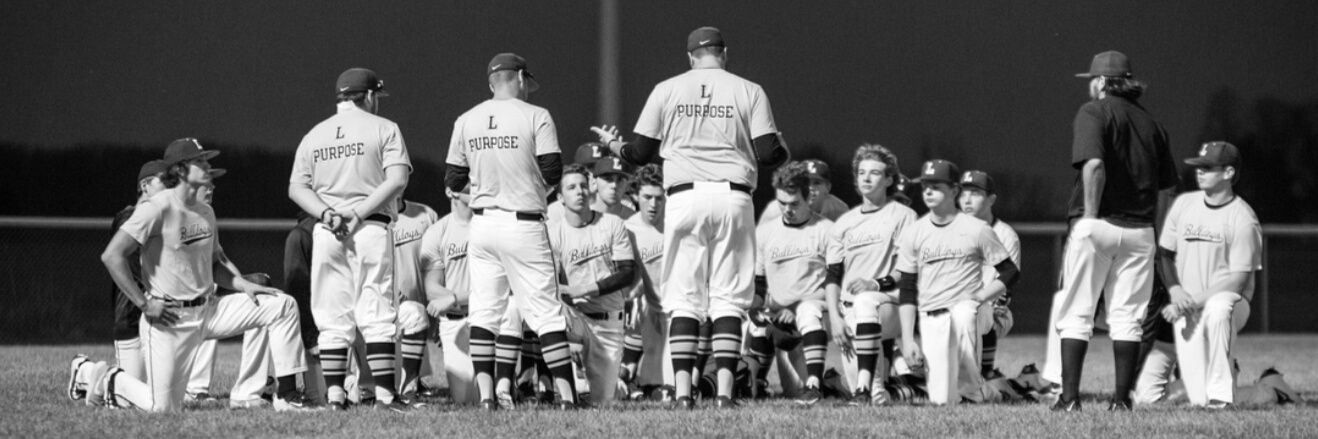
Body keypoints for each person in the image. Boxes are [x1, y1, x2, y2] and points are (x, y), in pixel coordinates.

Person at [592, 26, 788, 409]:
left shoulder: (667, 88)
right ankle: (726, 395)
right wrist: (783, 149)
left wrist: (611, 144)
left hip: (682, 198)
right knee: (729, 300)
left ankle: (682, 394)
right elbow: (768, 153)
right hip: (733, 196)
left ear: (690, 58)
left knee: (683, 300)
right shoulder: (749, 89)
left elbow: (641, 152)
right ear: (724, 53)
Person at [72, 138, 311, 412]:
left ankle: (289, 397)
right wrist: (145, 304)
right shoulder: (156, 207)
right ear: (181, 170)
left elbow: (213, 265)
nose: (208, 166)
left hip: (208, 311)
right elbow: (112, 256)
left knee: (282, 305)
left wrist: (243, 284)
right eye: (201, 161)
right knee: (161, 409)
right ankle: (90, 373)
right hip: (170, 321)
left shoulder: (206, 211)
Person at [445, 53, 581, 410]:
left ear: (492, 83)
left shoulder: (466, 119)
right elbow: (553, 171)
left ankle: (488, 398)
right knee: (546, 312)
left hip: (483, 224)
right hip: (523, 223)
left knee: (485, 312)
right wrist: (533, 190)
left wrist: (487, 190)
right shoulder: (535, 115)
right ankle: (567, 398)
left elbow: (454, 179)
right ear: (519, 77)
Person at [1053, 50, 1178, 412]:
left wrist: (1090, 218)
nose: (1089, 85)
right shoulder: (1153, 124)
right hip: (1140, 230)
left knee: (1077, 311)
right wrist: (1154, 229)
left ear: (1104, 81)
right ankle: (1121, 401)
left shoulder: (1094, 111)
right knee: (1128, 318)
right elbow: (1168, 187)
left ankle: (1070, 399)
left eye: (1092, 79)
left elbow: (1094, 165)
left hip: (1100, 223)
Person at [288, 67, 412, 411]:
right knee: (377, 312)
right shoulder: (384, 128)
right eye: (377, 97)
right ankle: (386, 395)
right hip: (369, 227)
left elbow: (296, 188)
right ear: (369, 96)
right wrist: (358, 213)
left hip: (328, 231)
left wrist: (328, 213)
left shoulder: (315, 133)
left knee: (332, 317)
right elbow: (397, 179)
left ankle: (335, 396)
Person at [895, 159, 1020, 405]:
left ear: (953, 191)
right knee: (942, 399)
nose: (929, 191)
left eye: (937, 186)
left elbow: (1010, 272)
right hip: (932, 314)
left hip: (972, 308)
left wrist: (981, 297)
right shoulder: (915, 232)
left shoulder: (976, 229)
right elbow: (907, 289)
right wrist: (909, 339)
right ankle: (995, 390)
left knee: (963, 312)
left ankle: (975, 391)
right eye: (926, 186)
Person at [1156, 141, 1260, 407]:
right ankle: (1269, 387)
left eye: (1208, 167)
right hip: (1188, 304)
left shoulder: (1243, 218)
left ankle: (1222, 398)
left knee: (1218, 308)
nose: (1199, 172)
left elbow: (1237, 282)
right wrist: (1175, 290)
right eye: (1198, 167)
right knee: (1194, 398)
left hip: (1230, 303)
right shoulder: (1184, 204)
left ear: (1228, 173)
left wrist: (1189, 302)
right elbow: (1165, 254)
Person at [825, 144, 916, 405]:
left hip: (889, 303)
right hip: (850, 310)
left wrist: (875, 283)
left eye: (875, 172)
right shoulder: (845, 222)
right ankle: (911, 388)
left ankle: (863, 388)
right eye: (861, 172)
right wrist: (835, 317)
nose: (866, 177)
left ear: (889, 179)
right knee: (879, 398)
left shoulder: (903, 216)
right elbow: (832, 275)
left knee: (867, 299)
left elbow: (907, 270)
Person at [751, 161, 836, 405]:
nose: (787, 209)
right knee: (747, 322)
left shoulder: (826, 230)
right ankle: (750, 384)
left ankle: (815, 385)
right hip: (782, 320)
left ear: (808, 197)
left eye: (794, 203)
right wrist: (755, 308)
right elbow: (759, 286)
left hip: (818, 314)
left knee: (807, 312)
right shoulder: (765, 233)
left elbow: (835, 285)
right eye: (782, 203)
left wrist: (797, 306)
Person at [551, 164, 637, 405]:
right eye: (571, 187)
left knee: (602, 404)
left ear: (590, 190)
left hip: (608, 321)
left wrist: (584, 289)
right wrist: (566, 305)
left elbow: (626, 274)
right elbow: (550, 283)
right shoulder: (553, 232)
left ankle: (612, 387)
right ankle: (560, 393)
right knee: (547, 319)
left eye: (582, 186)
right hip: (575, 316)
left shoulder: (612, 224)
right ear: (560, 198)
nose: (579, 191)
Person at [103, 160, 168, 386]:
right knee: (129, 394)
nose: (171, 188)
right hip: (132, 319)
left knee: (159, 393)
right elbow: (132, 267)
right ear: (145, 185)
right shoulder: (130, 217)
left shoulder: (164, 217)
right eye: (165, 182)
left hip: (161, 321)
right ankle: (84, 372)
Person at [957, 170, 1021, 377]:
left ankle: (985, 373)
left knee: (980, 311)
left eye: (975, 193)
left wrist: (980, 302)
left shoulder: (1005, 235)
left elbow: (1006, 287)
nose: (967, 199)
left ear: (991, 199)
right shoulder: (950, 230)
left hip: (994, 308)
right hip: (955, 303)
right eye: (963, 193)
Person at [420, 186, 477, 404]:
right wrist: (460, 299)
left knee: (489, 396)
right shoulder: (437, 232)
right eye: (468, 185)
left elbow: (502, 288)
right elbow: (432, 288)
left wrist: (454, 298)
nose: (475, 187)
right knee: (465, 400)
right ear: (450, 191)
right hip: (454, 322)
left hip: (489, 318)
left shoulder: (491, 227)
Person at [620, 164, 670, 399]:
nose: (653, 204)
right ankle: (637, 378)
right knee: (644, 307)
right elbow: (629, 281)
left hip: (684, 308)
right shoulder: (628, 230)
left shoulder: (677, 221)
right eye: (647, 197)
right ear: (635, 196)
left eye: (659, 198)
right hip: (652, 309)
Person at [390, 196, 440, 404]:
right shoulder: (369, 217)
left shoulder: (426, 214)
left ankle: (412, 383)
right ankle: (367, 386)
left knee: (415, 313)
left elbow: (437, 262)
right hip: (383, 305)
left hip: (419, 306)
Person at [758, 158, 849, 225]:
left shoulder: (839, 210)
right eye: (806, 182)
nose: (810, 187)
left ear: (828, 187)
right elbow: (758, 243)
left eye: (816, 183)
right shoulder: (776, 210)